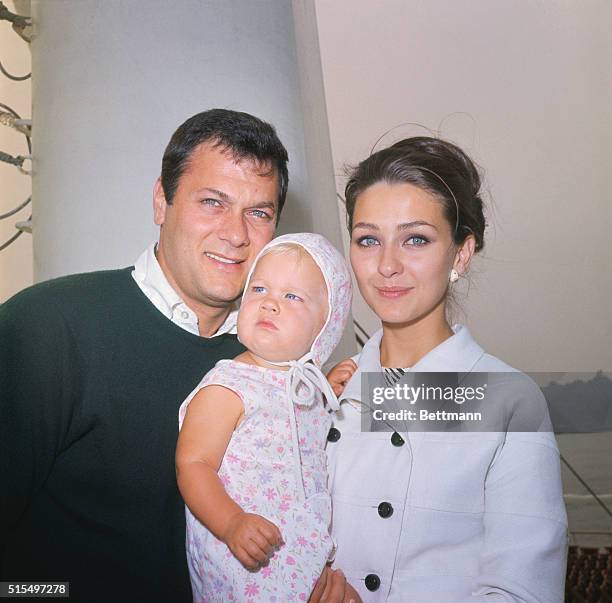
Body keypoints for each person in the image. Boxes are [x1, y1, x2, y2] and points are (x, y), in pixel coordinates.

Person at [0, 109, 289, 602]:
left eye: (258, 212)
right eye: (212, 202)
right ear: (162, 200)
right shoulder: (46, 328)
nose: (236, 234)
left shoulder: (274, 361)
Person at [325, 137, 568, 602]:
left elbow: (523, 595)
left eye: (416, 239)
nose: (387, 265)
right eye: (368, 239)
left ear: (461, 253)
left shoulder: (505, 400)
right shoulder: (327, 391)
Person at [176, 233, 357, 602]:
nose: (270, 303)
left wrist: (327, 388)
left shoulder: (305, 389)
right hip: (242, 566)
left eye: (292, 297)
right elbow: (192, 463)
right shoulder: (228, 386)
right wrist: (231, 522)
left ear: (325, 328)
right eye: (259, 289)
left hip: (301, 567)